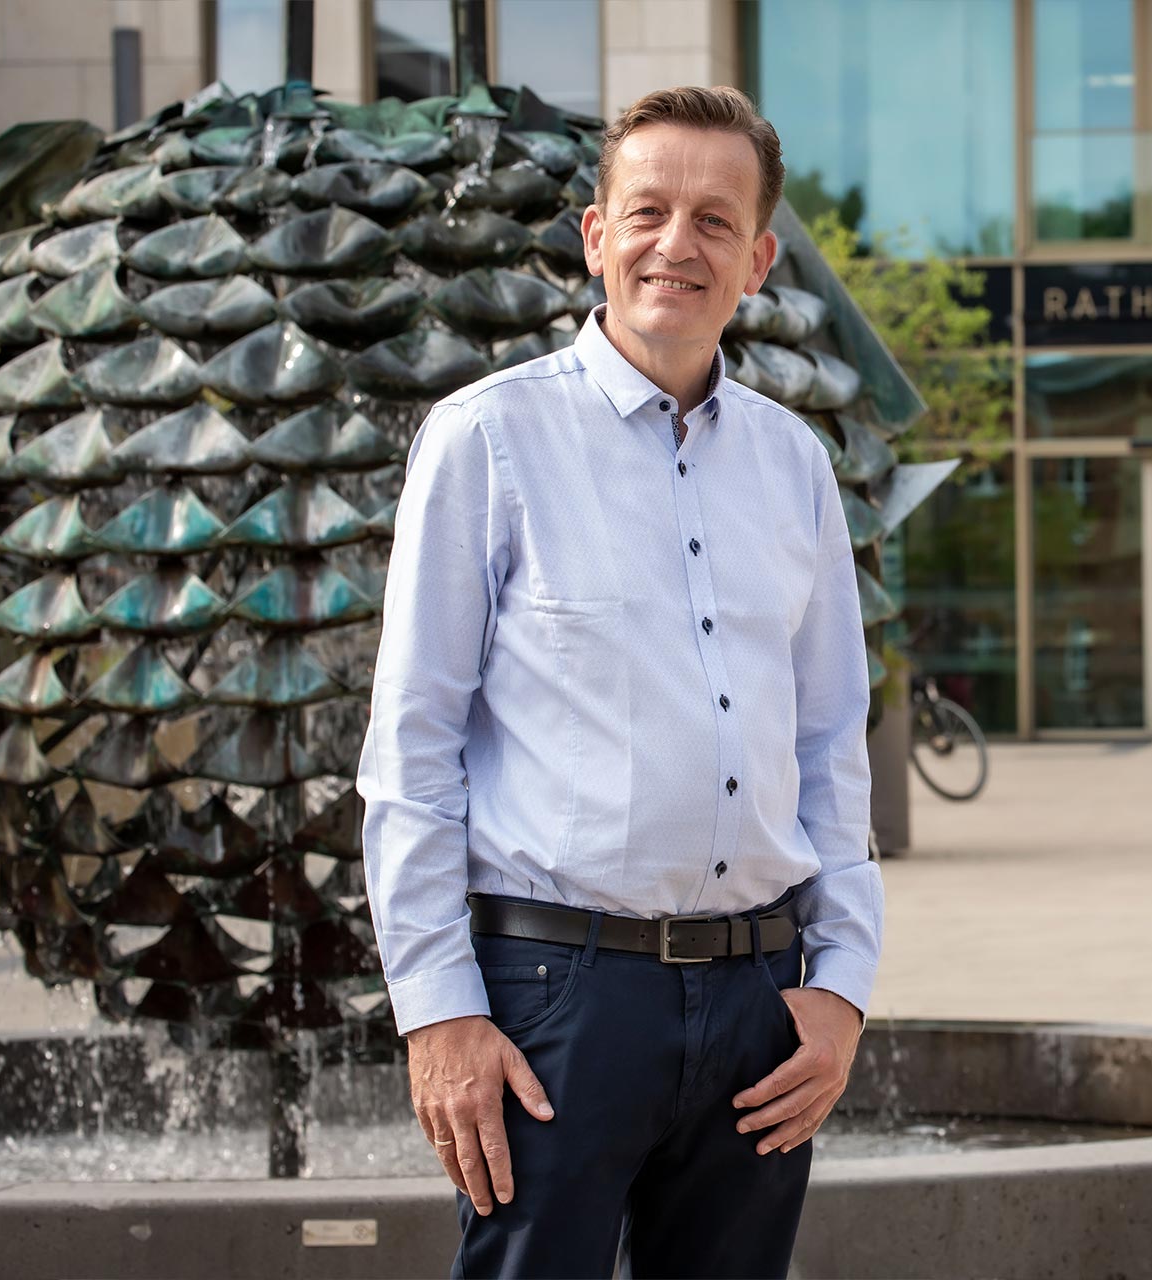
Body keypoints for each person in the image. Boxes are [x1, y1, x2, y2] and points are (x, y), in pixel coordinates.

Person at [355, 84, 882, 1280]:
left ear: (756, 261)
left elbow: (829, 743)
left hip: (760, 1003)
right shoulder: (487, 441)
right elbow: (412, 748)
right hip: (557, 997)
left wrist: (842, 985)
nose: (675, 244)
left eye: (714, 220)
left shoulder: (795, 465)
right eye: (648, 211)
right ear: (597, 235)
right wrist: (439, 1010)